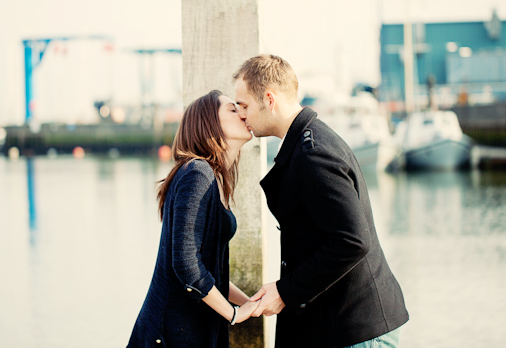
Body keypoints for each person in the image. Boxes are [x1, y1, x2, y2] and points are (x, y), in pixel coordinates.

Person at [233, 55, 409, 348]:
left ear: (269, 99)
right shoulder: (307, 142)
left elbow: (352, 241)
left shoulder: (314, 153)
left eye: (245, 106)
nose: (242, 115)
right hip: (341, 325)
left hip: (359, 330)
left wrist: (285, 292)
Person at [126, 90, 260, 348]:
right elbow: (186, 263)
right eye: (233, 110)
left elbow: (209, 271)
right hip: (169, 335)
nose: (243, 113)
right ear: (209, 123)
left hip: (193, 329)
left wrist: (249, 304)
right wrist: (233, 314)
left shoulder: (213, 177)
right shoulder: (197, 173)